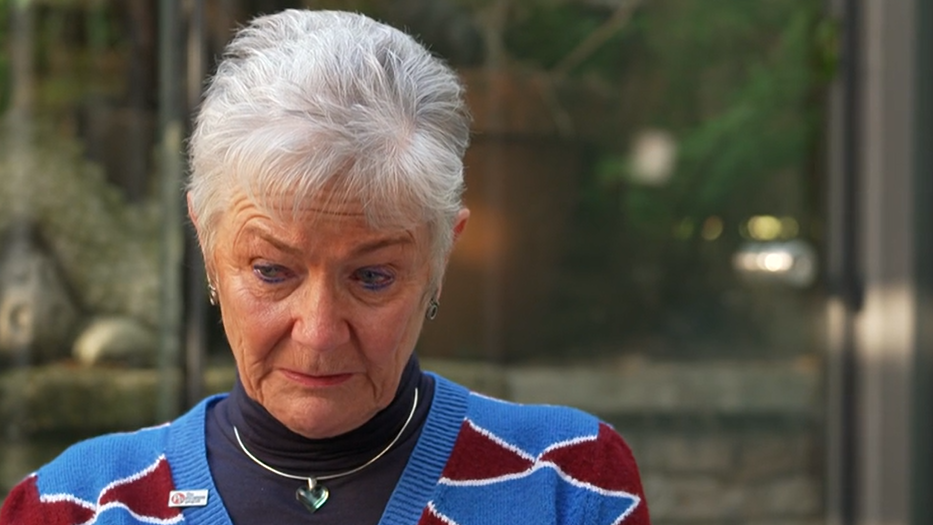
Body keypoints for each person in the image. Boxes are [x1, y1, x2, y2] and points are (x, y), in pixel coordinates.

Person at [0, 9, 650, 525]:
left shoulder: (567, 482)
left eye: (372, 277)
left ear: (440, 257)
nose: (317, 333)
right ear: (207, 243)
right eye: (272, 271)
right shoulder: (71, 505)